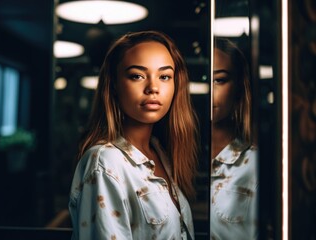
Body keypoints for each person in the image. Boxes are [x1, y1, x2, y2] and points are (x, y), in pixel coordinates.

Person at [69, 30, 199, 239]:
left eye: (164, 76)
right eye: (137, 76)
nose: (153, 88)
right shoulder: (105, 161)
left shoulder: (159, 152)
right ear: (114, 86)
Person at [210, 37, 258, 239]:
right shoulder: (167, 158)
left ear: (238, 87)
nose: (210, 90)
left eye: (219, 80)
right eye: (205, 78)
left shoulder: (254, 163)